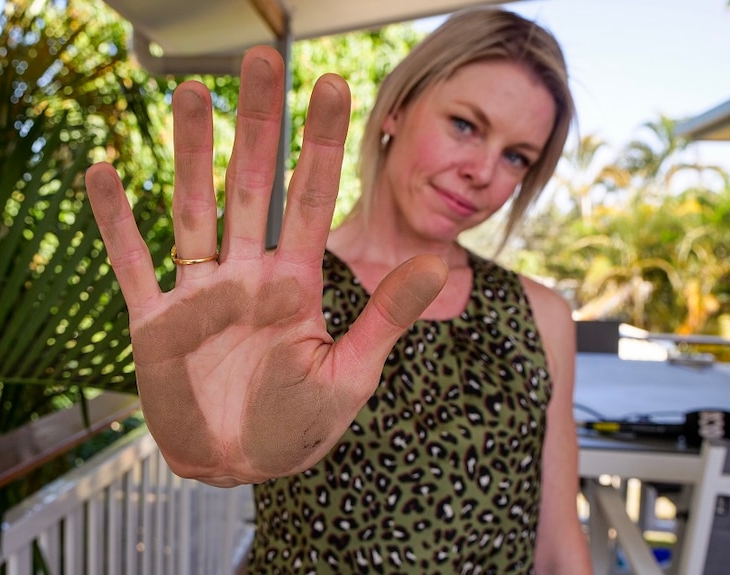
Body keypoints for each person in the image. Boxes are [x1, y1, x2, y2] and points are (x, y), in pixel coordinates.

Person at [85, 6, 592, 574]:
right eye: (465, 125)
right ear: (398, 109)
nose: (482, 170)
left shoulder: (539, 316)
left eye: (516, 156)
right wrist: (215, 450)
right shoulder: (274, 300)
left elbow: (557, 540)